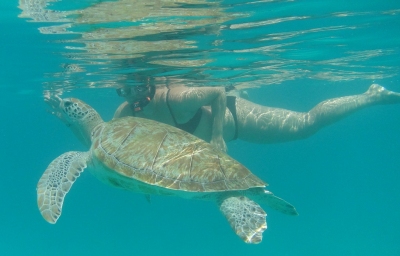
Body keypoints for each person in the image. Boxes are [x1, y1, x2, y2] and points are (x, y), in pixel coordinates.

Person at [114, 82, 400, 152]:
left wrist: (216, 137)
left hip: (237, 121)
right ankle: (239, 89)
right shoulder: (125, 112)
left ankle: (369, 96)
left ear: (149, 82)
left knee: (305, 125)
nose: (131, 94)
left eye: (136, 86)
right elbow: (102, 138)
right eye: (123, 89)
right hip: (218, 116)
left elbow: (215, 94)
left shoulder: (175, 99)